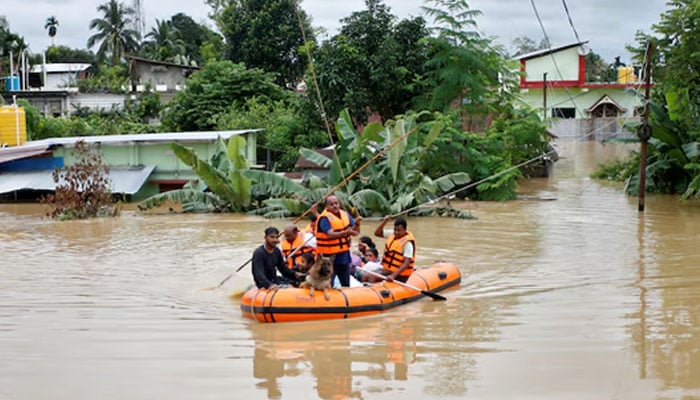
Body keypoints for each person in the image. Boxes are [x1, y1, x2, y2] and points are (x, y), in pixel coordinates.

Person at [315, 195, 359, 287]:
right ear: (327, 207)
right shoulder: (324, 218)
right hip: (329, 256)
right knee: (328, 281)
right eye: (331, 204)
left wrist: (357, 223)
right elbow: (330, 234)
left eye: (336, 203)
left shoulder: (345, 214)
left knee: (345, 282)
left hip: (344, 255)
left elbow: (356, 232)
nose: (334, 206)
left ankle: (346, 296)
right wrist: (345, 232)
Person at [373, 216, 416, 283]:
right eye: (395, 229)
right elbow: (377, 233)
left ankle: (370, 290)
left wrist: (393, 275)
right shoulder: (392, 234)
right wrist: (385, 222)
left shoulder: (408, 243)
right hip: (388, 269)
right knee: (366, 275)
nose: (396, 232)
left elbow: (406, 264)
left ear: (405, 230)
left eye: (399, 230)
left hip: (400, 274)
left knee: (371, 277)